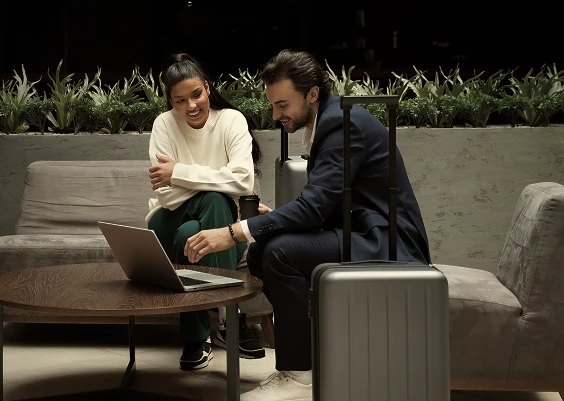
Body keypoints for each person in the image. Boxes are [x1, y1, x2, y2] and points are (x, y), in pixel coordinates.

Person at [183, 49, 432, 400]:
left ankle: (300, 376)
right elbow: (323, 205)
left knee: (281, 253)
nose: (276, 114)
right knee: (261, 253)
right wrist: (268, 223)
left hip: (389, 242)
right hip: (359, 231)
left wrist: (234, 232)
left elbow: (314, 209)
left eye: (283, 104)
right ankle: (303, 361)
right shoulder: (326, 119)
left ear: (312, 93)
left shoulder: (341, 122)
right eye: (272, 105)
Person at [145, 53, 267, 371]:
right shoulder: (164, 125)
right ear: (171, 101)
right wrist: (223, 181)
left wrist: (178, 172)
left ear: (208, 89)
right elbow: (166, 194)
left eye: (196, 94)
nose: (191, 106)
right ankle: (230, 321)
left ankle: (197, 337)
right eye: (179, 100)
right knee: (213, 198)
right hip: (165, 220)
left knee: (197, 224)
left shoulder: (230, 121)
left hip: (220, 226)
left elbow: (243, 178)